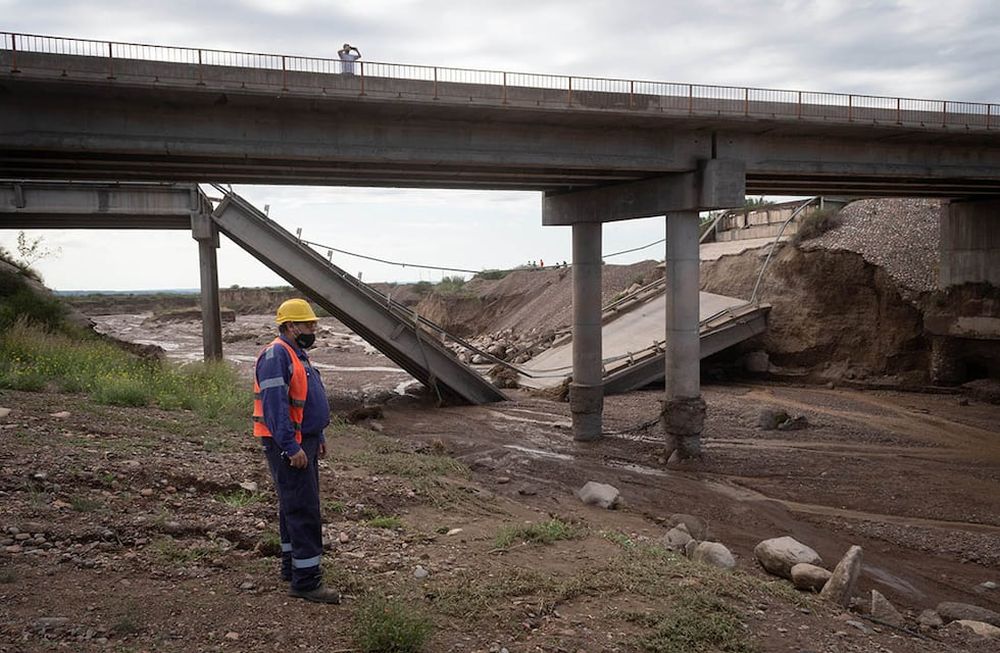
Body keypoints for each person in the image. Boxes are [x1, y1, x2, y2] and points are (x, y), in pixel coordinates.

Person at [253, 298, 340, 604]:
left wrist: (319, 435)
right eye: (308, 324)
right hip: (290, 443)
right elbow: (275, 406)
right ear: (290, 326)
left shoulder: (297, 354)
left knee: (293, 504)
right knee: (304, 509)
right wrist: (291, 446)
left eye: (314, 324)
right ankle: (306, 582)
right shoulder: (277, 354)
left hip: (306, 439)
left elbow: (304, 401)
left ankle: (292, 568)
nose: (313, 328)